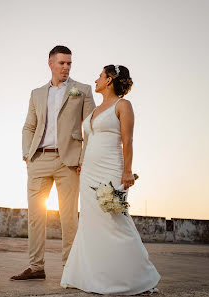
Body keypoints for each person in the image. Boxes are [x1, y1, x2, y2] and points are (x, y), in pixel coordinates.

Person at [60, 65, 160, 295]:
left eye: (100, 75)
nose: (95, 79)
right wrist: (83, 162)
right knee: (90, 221)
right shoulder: (95, 109)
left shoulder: (123, 105)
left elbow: (128, 140)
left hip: (111, 170)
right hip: (88, 172)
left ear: (109, 80)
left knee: (116, 220)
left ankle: (139, 276)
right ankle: (93, 275)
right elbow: (89, 140)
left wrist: (127, 171)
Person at [11, 45, 95, 280]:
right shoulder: (37, 93)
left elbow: (90, 127)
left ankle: (71, 268)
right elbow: (29, 125)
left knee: (69, 218)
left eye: (69, 63)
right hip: (38, 158)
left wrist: (83, 158)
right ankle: (36, 267)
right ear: (50, 63)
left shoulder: (83, 90)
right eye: (62, 63)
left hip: (69, 161)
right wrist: (27, 154)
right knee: (36, 217)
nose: (66, 67)